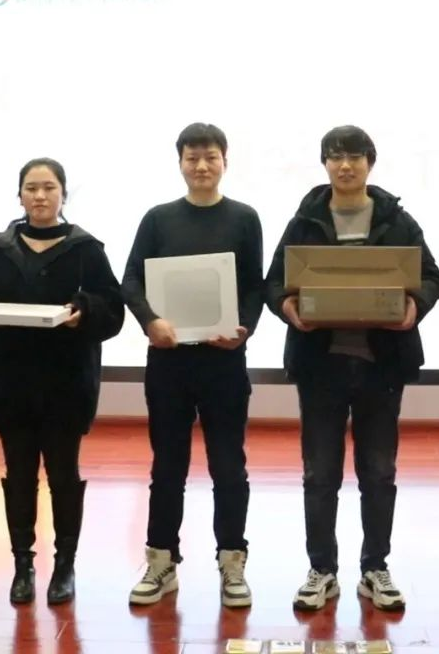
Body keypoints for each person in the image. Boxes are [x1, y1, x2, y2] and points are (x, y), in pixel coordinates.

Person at [264, 125, 439, 612]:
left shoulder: (395, 219)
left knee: (379, 472)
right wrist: (287, 307)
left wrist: (416, 306)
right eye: (336, 156)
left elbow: (431, 276)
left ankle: (374, 568)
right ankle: (321, 569)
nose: (345, 165)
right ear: (324, 163)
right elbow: (274, 281)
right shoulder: (305, 219)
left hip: (381, 366)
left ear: (370, 162)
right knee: (320, 473)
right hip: (320, 366)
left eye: (355, 156)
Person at [0, 157, 125, 606]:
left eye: (49, 187)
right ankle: (22, 565)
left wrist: (83, 311)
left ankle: (65, 565)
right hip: (13, 382)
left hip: (67, 383)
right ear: (19, 195)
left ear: (63, 194)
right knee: (18, 475)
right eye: (31, 187)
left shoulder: (86, 249)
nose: (39, 195)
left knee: (63, 474)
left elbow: (113, 311)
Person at [122, 123, 264, 608]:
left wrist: (244, 329)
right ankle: (161, 561)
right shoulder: (158, 219)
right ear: (180, 162)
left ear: (225, 161)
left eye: (210, 157)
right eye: (192, 158)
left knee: (229, 466)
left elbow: (254, 285)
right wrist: (151, 321)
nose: (201, 166)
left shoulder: (244, 218)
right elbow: (131, 280)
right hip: (169, 362)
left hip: (224, 362)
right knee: (168, 466)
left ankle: (232, 561)